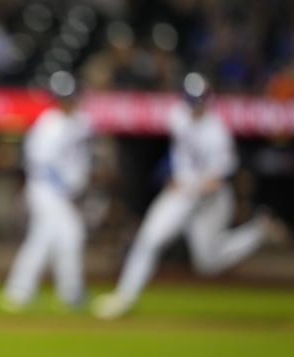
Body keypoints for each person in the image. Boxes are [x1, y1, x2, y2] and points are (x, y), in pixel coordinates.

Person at [91, 72, 277, 320]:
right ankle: (124, 297)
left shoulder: (216, 132)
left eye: (198, 100)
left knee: (208, 264)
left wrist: (188, 185)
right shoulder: (178, 115)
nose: (194, 105)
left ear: (207, 100)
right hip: (182, 194)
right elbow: (178, 154)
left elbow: (217, 179)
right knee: (148, 240)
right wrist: (174, 176)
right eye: (191, 99)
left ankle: (257, 231)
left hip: (210, 200)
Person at [0, 70, 93, 312]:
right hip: (45, 190)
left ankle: (19, 292)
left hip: (62, 193)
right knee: (71, 235)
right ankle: (69, 292)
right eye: (64, 97)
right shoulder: (49, 124)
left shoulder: (82, 122)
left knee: (44, 240)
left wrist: (76, 187)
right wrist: (65, 188)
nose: (68, 101)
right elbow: (38, 163)